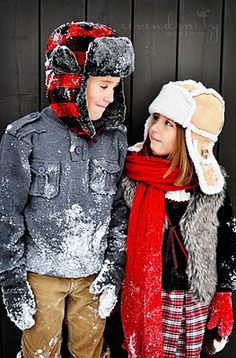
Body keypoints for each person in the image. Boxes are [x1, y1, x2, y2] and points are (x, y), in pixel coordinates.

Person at [0, 21, 134, 357]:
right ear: (73, 82)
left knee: (89, 352)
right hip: (41, 276)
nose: (110, 96)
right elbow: (7, 215)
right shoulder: (25, 137)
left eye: (116, 88)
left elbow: (120, 209)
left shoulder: (114, 140)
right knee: (40, 352)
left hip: (93, 278)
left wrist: (114, 269)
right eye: (104, 85)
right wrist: (12, 281)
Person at [121, 80, 236, 358]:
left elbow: (226, 243)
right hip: (150, 298)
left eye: (168, 124)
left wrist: (224, 294)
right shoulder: (134, 178)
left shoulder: (209, 188)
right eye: (156, 119)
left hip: (195, 303)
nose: (155, 129)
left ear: (189, 137)